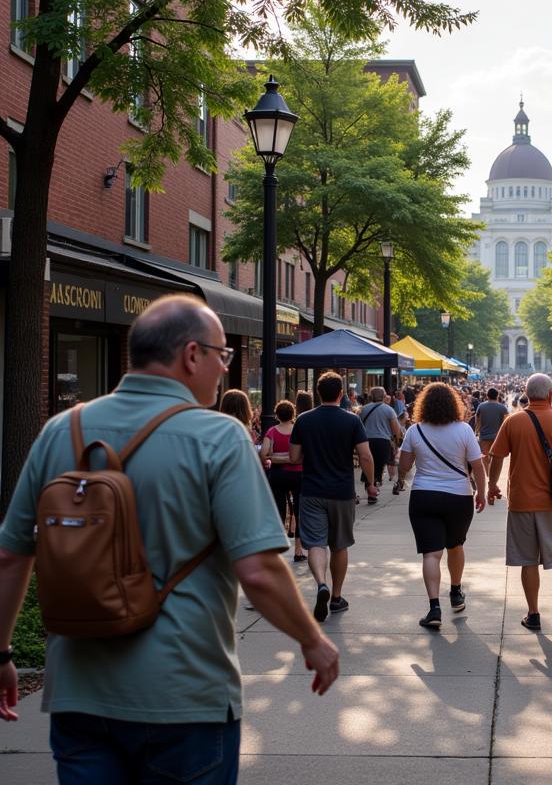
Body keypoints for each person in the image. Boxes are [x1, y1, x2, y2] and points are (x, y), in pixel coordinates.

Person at [0, 295, 338, 777]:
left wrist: (2, 653)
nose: (224, 369)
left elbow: (11, 557)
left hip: (79, 692)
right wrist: (312, 639)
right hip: (187, 695)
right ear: (191, 354)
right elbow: (259, 570)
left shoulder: (60, 431)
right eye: (223, 356)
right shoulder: (219, 438)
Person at [488, 373, 552, 631]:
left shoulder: (513, 422)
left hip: (521, 501)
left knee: (528, 560)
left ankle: (533, 614)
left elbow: (496, 457)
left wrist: (491, 484)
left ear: (527, 395)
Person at [397, 383, 486, 629]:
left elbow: (404, 466)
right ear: (453, 403)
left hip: (424, 495)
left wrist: (404, 468)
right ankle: (456, 591)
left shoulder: (415, 431)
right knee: (455, 545)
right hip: (459, 495)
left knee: (431, 553)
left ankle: (434, 607)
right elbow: (477, 466)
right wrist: (482, 492)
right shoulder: (464, 430)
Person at [290, 371, 376, 622]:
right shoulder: (352, 421)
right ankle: (336, 596)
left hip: (312, 491)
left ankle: (320, 584)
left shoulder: (303, 420)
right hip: (341, 492)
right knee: (339, 545)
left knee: (316, 543)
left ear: (318, 393)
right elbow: (366, 456)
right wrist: (370, 483)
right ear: (341, 394)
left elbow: (294, 458)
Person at [261, 399, 305, 563]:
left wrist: (277, 457)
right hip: (297, 475)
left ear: (276, 415)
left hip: (278, 475)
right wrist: (291, 459)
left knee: (278, 512)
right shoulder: (298, 430)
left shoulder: (272, 432)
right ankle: (298, 550)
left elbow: (264, 455)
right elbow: (303, 456)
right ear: (293, 414)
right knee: (300, 512)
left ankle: (277, 551)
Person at [359, 386, 404, 504]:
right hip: (382, 441)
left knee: (367, 463)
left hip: (366, 441)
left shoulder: (363, 409)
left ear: (371, 396)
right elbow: (396, 429)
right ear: (384, 396)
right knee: (378, 465)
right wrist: (397, 440)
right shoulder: (389, 410)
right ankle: (373, 487)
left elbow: (358, 426)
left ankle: (370, 486)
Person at [474, 387, 509, 473]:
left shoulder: (481, 406)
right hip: (498, 437)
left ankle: (488, 474)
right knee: (496, 458)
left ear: (487, 396)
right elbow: (507, 423)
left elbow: (477, 421)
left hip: (484, 436)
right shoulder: (503, 408)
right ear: (497, 396)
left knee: (485, 457)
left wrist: (476, 432)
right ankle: (493, 475)